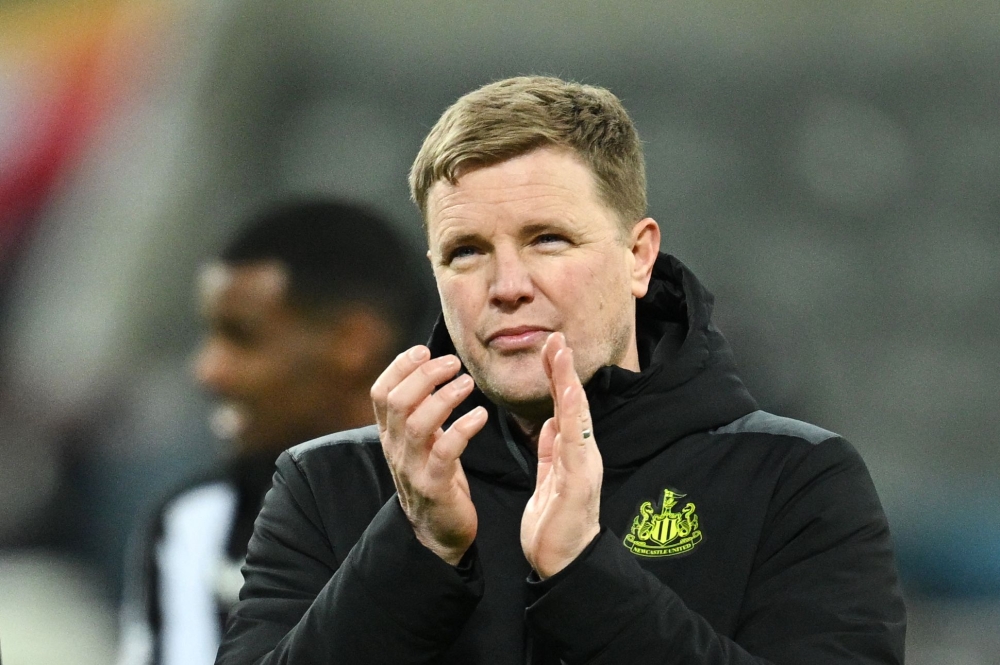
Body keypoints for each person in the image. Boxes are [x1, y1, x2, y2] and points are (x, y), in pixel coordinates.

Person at [216, 77, 906, 664]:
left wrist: (585, 574)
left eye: (548, 239)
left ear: (638, 257)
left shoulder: (794, 479)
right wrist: (417, 545)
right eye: (465, 250)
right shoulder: (326, 483)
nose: (506, 284)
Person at [115, 199, 431, 665]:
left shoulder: (488, 513)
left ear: (353, 342)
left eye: (241, 336)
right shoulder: (196, 523)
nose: (207, 371)